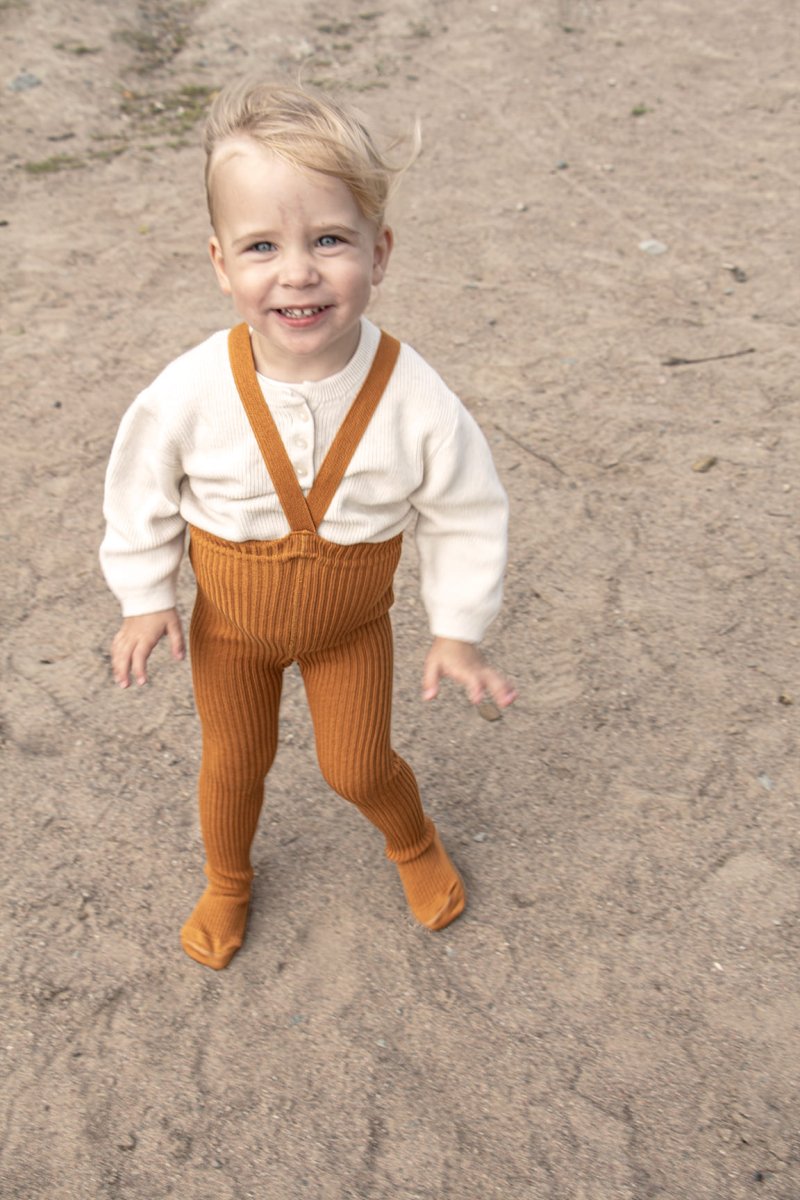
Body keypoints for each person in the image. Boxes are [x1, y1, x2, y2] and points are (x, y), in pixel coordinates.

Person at [100, 80, 516, 970]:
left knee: (356, 767)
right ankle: (227, 878)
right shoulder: (190, 390)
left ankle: (413, 840)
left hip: (348, 628)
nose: (297, 272)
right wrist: (145, 597)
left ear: (379, 250)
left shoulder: (414, 395)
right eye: (262, 246)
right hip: (231, 628)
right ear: (221, 263)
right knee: (232, 764)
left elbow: (465, 510)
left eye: (329, 239)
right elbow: (140, 490)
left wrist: (458, 628)